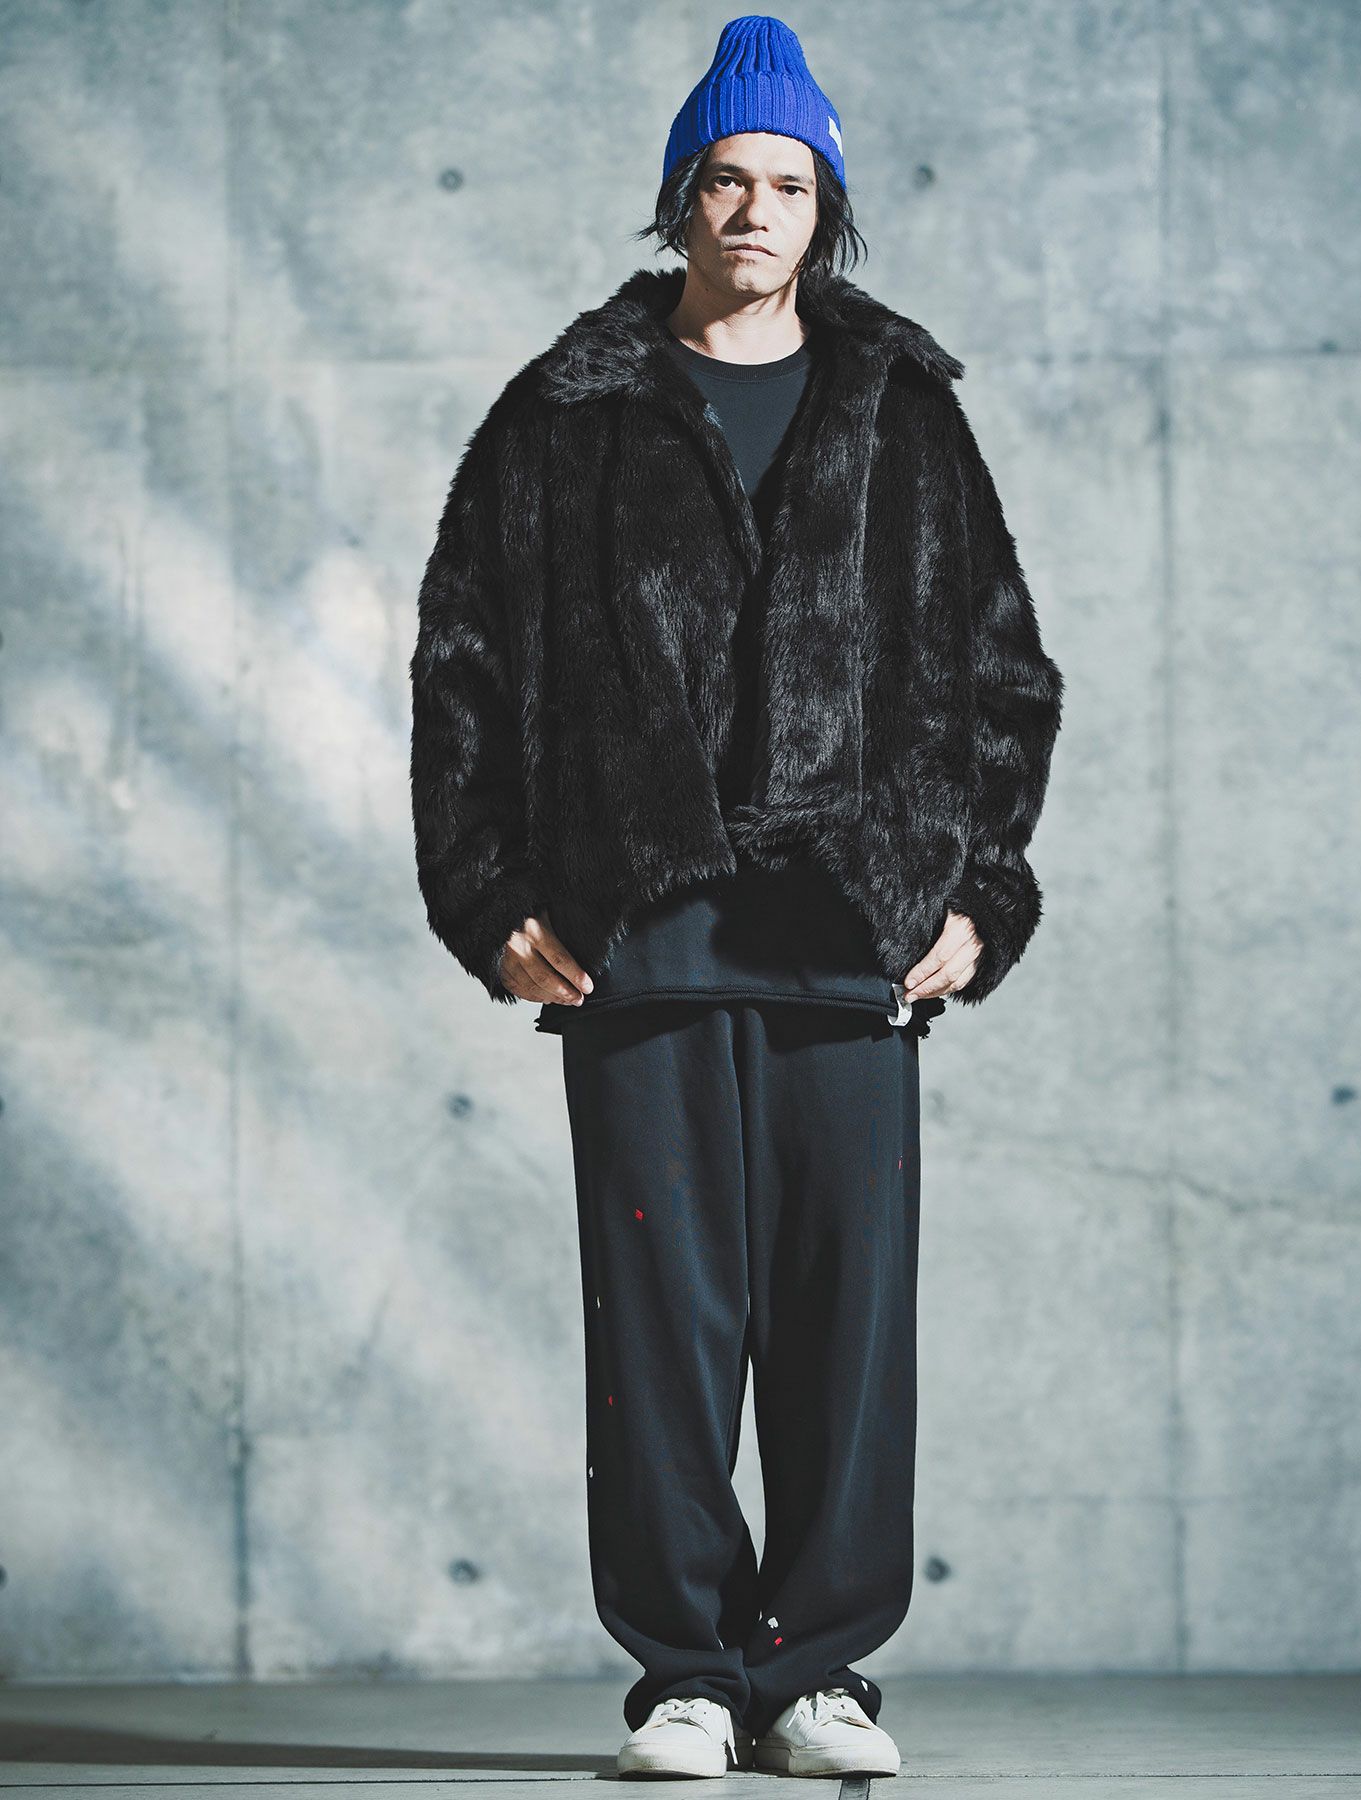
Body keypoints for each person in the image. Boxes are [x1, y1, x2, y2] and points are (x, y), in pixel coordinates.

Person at [409, 13, 1064, 1780]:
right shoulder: (563, 418)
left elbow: (1002, 672)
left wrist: (984, 894)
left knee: (848, 1327)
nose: (757, 209)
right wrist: (484, 896)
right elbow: (463, 669)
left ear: (824, 207)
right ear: (679, 200)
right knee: (663, 1331)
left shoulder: (906, 416)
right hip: (639, 940)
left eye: (789, 182)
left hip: (852, 940)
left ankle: (822, 1676)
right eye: (726, 178)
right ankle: (689, 1676)